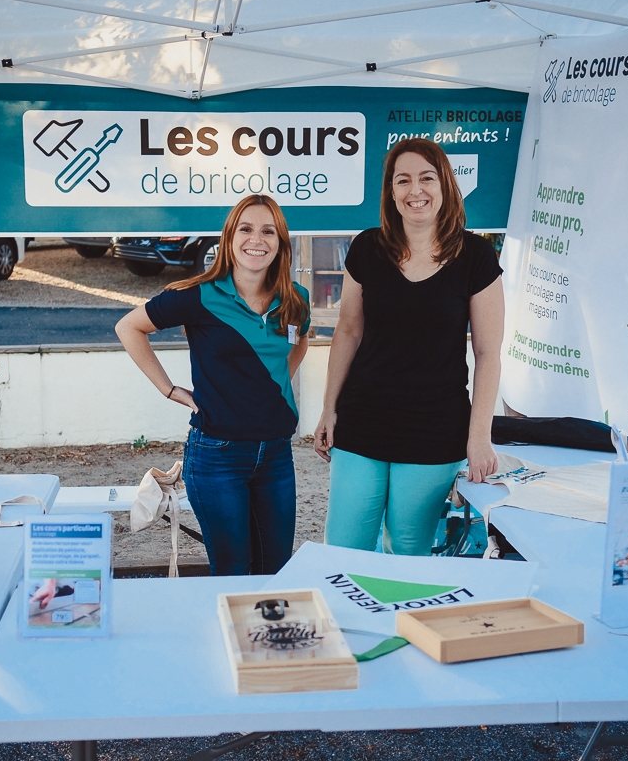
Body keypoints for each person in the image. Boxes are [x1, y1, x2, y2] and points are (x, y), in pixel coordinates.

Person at [314, 137, 504, 556]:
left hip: (433, 428)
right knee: (344, 548)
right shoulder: (366, 248)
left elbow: (488, 354)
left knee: (408, 552)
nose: (415, 190)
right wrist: (329, 407)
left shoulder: (475, 255)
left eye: (426, 178)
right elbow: (348, 331)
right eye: (403, 180)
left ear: (445, 185)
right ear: (391, 190)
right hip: (362, 421)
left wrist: (479, 436)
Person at [116, 195, 310, 576]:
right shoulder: (200, 295)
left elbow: (300, 341)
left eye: (268, 231)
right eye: (246, 229)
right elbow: (129, 327)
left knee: (275, 571)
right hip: (217, 456)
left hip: (275, 455)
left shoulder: (295, 298)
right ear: (229, 238)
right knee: (232, 573)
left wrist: (273, 384)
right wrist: (169, 389)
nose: (257, 240)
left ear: (281, 242)